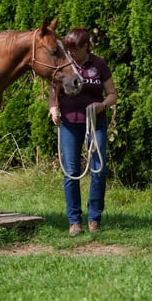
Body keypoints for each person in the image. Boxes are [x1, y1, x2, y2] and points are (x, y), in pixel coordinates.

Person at [49, 27, 117, 236]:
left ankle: (94, 219)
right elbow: (54, 93)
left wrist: (102, 106)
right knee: (71, 172)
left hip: (95, 123)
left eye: (74, 50)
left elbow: (112, 94)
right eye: (67, 50)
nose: (70, 54)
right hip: (69, 124)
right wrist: (53, 108)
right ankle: (74, 221)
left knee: (98, 171)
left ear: (86, 46)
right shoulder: (65, 65)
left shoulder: (99, 64)